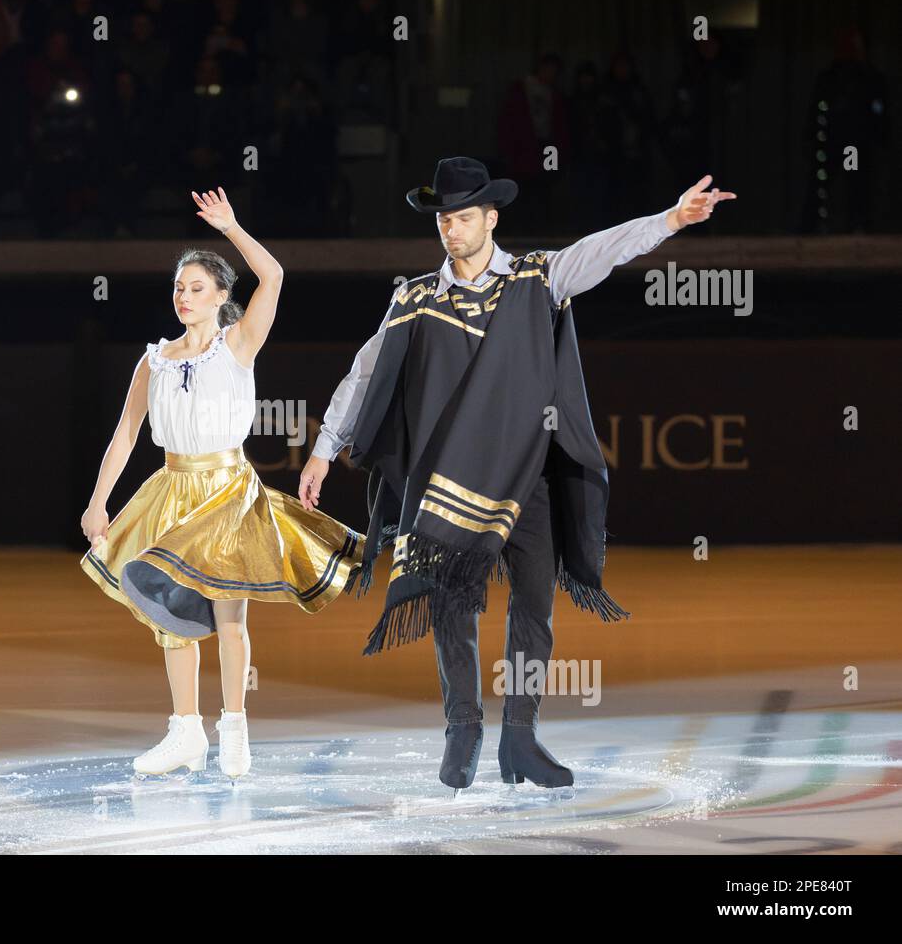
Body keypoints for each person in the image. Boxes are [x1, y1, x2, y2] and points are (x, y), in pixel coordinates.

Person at [298, 157, 735, 792]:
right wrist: (323, 447)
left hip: (525, 477)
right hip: (445, 481)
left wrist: (669, 220)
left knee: (534, 605)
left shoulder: (537, 278)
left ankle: (521, 737)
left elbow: (601, 251)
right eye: (444, 219)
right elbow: (367, 372)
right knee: (452, 601)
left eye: (465, 217)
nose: (452, 229)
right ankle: (463, 728)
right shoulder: (416, 297)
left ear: (491, 218)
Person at [80, 187, 366, 779]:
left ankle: (233, 726)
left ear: (220, 296)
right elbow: (126, 434)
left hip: (228, 491)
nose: (184, 297)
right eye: (178, 288)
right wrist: (98, 501)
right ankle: (185, 731)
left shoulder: (238, 344)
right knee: (168, 613)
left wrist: (232, 227)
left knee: (230, 619)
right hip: (171, 487)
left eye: (196, 288)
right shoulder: (153, 359)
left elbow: (276, 274)